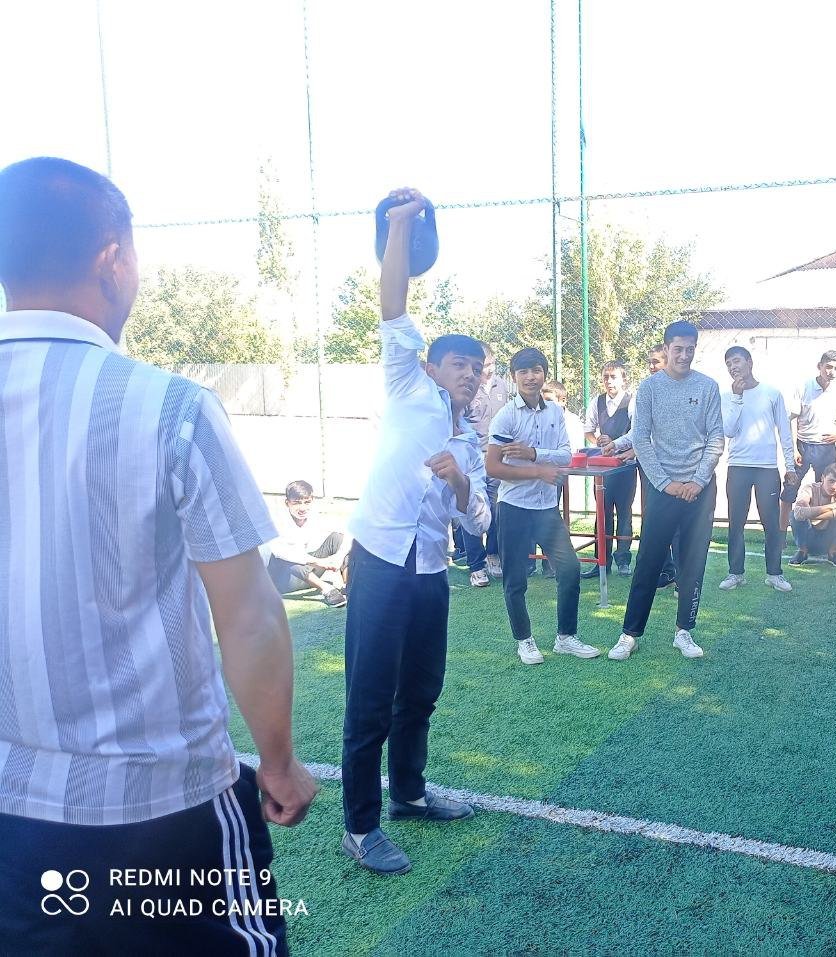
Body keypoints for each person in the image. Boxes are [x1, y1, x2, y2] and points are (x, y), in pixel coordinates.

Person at [0, 156, 317, 949]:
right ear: (112, 260)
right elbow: (248, 615)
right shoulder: (170, 406)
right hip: (162, 805)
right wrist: (278, 762)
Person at [341, 188, 490, 876]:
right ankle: (360, 826)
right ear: (432, 367)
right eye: (460, 364)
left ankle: (407, 794)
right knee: (371, 696)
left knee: (421, 691)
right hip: (380, 560)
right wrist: (400, 225)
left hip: (430, 571)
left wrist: (460, 485)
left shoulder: (470, 440)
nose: (470, 375)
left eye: (477, 368)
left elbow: (480, 519)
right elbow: (394, 303)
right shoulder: (408, 386)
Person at [610, 321, 724, 661]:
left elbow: (716, 438)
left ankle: (684, 631)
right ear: (666, 349)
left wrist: (697, 481)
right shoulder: (649, 388)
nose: (684, 355)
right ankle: (629, 634)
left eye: (690, 349)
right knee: (649, 559)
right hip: (662, 487)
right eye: (678, 349)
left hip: (699, 490)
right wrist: (665, 483)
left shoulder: (708, 387)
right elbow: (641, 439)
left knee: (693, 562)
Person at [486, 347, 599, 665]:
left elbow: (565, 455)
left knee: (570, 569)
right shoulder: (506, 416)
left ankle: (566, 637)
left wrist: (533, 454)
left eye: (536, 370)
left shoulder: (554, 413)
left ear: (545, 375)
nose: (530, 377)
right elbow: (493, 467)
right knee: (515, 579)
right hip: (514, 507)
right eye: (523, 371)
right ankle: (524, 641)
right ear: (514, 377)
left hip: (545, 507)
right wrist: (537, 471)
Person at [720, 346, 797, 592]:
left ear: (749, 362)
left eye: (736, 361)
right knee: (736, 522)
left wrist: (790, 466)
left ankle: (774, 574)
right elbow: (729, 430)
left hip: (766, 468)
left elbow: (784, 431)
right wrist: (737, 397)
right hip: (738, 466)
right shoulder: (727, 396)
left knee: (771, 523)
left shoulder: (772, 393)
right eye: (728, 364)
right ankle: (736, 573)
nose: (733, 367)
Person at [605, 345, 679, 589]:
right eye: (650, 361)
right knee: (653, 518)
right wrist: (616, 444)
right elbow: (639, 432)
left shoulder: (681, 390)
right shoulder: (645, 391)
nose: (651, 366)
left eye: (656, 361)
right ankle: (665, 570)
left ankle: (680, 573)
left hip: (674, 467)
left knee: (676, 520)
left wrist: (633, 449)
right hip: (649, 468)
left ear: (668, 361)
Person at [781, 350, 836, 534]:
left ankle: (823, 534)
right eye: (828, 367)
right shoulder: (804, 387)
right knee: (790, 489)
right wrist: (794, 449)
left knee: (828, 491)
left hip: (826, 448)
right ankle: (781, 534)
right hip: (803, 446)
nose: (831, 372)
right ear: (820, 366)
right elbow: (791, 419)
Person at [459, 343, 510, 588]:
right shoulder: (467, 385)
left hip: (498, 457)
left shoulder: (503, 386)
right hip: (473, 459)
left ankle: (493, 554)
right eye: (483, 366)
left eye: (491, 364)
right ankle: (476, 566)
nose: (488, 370)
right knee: (473, 509)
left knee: (498, 508)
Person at [583, 360, 636, 577]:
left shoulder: (632, 401)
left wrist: (615, 443)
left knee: (624, 512)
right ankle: (601, 561)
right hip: (603, 468)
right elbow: (588, 430)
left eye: (613, 377)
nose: (609, 381)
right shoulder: (597, 402)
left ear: (624, 380)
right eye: (605, 377)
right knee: (602, 513)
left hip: (625, 466)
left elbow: (636, 432)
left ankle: (623, 560)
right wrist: (597, 441)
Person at [266, 479, 352, 606]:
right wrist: (319, 562)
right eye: (296, 503)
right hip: (285, 579)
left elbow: (349, 534)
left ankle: (348, 586)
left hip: (309, 574)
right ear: (287, 503)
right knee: (285, 557)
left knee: (337, 538)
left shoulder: (314, 516)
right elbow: (280, 553)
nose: (302, 508)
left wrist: (338, 557)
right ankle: (326, 589)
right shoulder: (277, 521)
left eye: (307, 502)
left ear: (312, 501)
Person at [789, 464, 836, 566]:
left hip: (829, 540)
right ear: (823, 478)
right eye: (831, 481)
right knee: (793, 515)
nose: (834, 487)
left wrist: (811, 515)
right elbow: (798, 513)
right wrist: (834, 506)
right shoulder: (809, 488)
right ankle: (802, 551)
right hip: (809, 536)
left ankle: (833, 552)